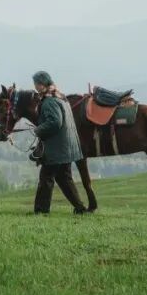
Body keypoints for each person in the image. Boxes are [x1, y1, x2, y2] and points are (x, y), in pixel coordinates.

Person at [30, 71, 87, 215]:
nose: (35, 87)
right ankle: (80, 208)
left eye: (37, 83)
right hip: (66, 147)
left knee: (46, 178)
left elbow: (55, 122)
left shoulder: (49, 101)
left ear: (42, 84)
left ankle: (41, 211)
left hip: (56, 149)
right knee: (64, 178)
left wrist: (38, 130)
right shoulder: (61, 97)